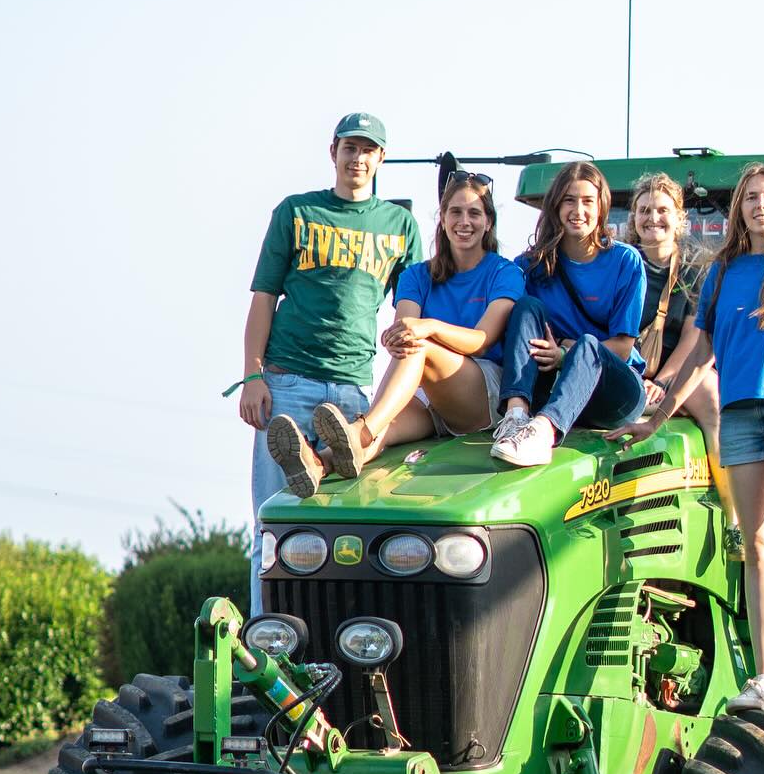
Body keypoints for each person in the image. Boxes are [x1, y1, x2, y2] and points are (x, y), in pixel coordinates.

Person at [623, 163, 764, 720]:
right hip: (741, 415)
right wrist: (657, 418)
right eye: (750, 198)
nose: (759, 206)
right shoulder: (723, 272)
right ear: (739, 209)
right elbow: (701, 354)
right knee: (757, 545)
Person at [235, 111, 420, 614]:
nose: (357, 158)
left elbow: (410, 306)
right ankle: (265, 639)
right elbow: (263, 298)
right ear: (333, 151)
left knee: (341, 530)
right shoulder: (296, 212)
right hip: (287, 383)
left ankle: (335, 640)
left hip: (352, 393)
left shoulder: (400, 225)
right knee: (273, 524)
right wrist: (253, 375)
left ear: (381, 158)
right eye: (349, 147)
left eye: (367, 149)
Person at [266, 171, 523, 485]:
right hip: (429, 395)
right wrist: (399, 335)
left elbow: (481, 340)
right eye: (455, 212)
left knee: (419, 347)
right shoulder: (417, 275)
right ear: (442, 219)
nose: (464, 221)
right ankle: (318, 463)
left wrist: (428, 326)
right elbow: (405, 331)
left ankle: (360, 430)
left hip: (480, 391)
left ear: (488, 222)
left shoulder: (505, 272)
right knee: (386, 425)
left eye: (474, 213)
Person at [489, 161, 647, 467]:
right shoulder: (530, 265)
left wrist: (563, 353)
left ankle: (543, 432)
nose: (578, 210)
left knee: (589, 345)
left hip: (613, 392)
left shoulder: (625, 260)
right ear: (555, 206)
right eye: (569, 200)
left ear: (601, 207)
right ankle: (516, 415)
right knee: (526, 307)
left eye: (588, 201)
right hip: (554, 388)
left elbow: (623, 348)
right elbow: (514, 331)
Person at [621, 173, 734, 523]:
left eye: (662, 210)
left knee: (713, 398)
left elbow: (694, 338)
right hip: (627, 368)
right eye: (644, 210)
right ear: (634, 218)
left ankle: (735, 518)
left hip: (675, 371)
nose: (652, 218)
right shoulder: (620, 261)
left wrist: (664, 381)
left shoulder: (696, 269)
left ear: (679, 218)